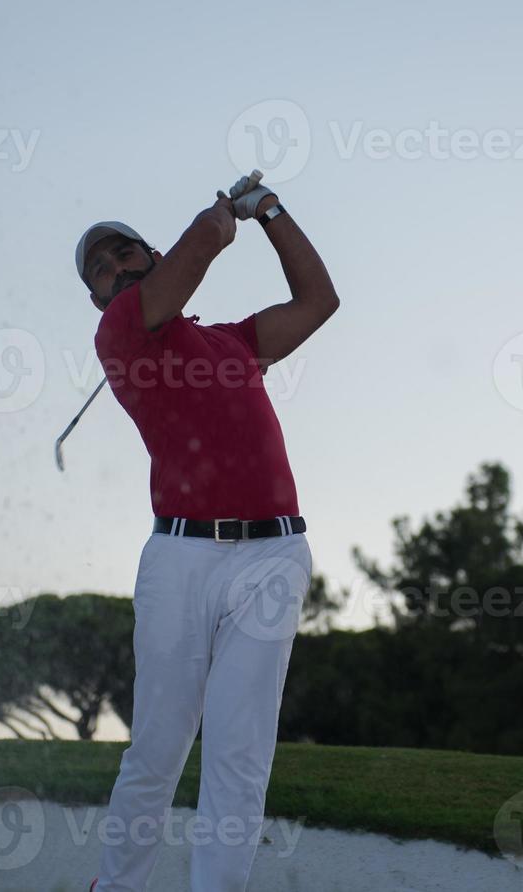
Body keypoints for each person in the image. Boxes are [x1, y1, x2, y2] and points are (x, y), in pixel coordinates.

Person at [77, 176, 339, 892]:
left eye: (123, 251)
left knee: (239, 751)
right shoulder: (119, 332)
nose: (114, 267)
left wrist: (270, 213)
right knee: (158, 750)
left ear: (148, 252)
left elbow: (318, 302)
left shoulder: (233, 343)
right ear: (100, 300)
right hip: (180, 558)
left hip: (275, 553)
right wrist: (222, 216)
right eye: (99, 269)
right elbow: (201, 246)